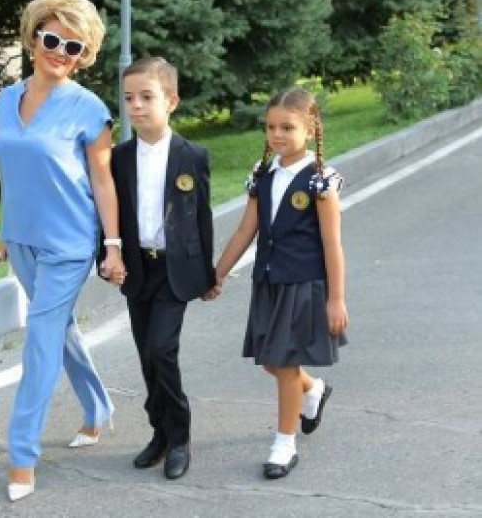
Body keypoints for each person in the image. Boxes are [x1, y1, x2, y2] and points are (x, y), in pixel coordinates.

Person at [0, 0, 125, 502]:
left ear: (83, 55)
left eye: (74, 47)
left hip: (68, 244)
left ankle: (21, 457)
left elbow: (103, 181)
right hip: (22, 239)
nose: (61, 53)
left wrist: (112, 245)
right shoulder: (6, 100)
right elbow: (13, 170)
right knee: (59, 331)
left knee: (41, 340)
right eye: (53, 40)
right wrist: (5, 230)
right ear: (33, 38)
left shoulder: (89, 108)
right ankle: (97, 409)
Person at [204, 87, 348, 479]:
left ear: (310, 128)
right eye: (271, 127)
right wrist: (217, 274)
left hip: (303, 284)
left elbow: (332, 244)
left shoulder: (320, 181)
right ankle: (313, 389)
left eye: (287, 127)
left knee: (284, 363)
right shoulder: (263, 174)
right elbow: (244, 231)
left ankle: (284, 444)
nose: (277, 135)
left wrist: (336, 299)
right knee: (270, 359)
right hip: (268, 280)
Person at [102, 56, 216, 480]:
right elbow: (107, 214)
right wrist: (108, 256)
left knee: (161, 349)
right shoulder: (119, 158)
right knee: (146, 355)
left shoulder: (192, 155)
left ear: (171, 101)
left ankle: (180, 437)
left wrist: (208, 274)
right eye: (129, 98)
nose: (135, 106)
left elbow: (201, 218)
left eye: (146, 97)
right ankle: (160, 433)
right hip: (138, 269)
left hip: (175, 270)